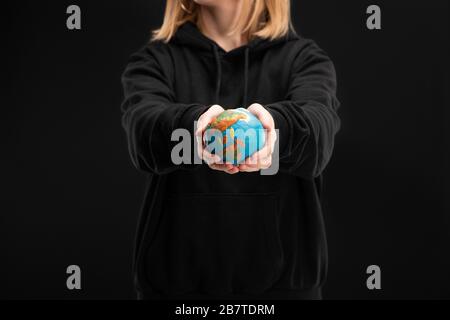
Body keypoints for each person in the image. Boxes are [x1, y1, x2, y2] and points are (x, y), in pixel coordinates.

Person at [121, 0, 340, 300]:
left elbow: (319, 136)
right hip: (176, 290)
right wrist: (194, 128)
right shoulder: (155, 60)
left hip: (283, 290)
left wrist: (275, 131)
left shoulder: (304, 60)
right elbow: (143, 134)